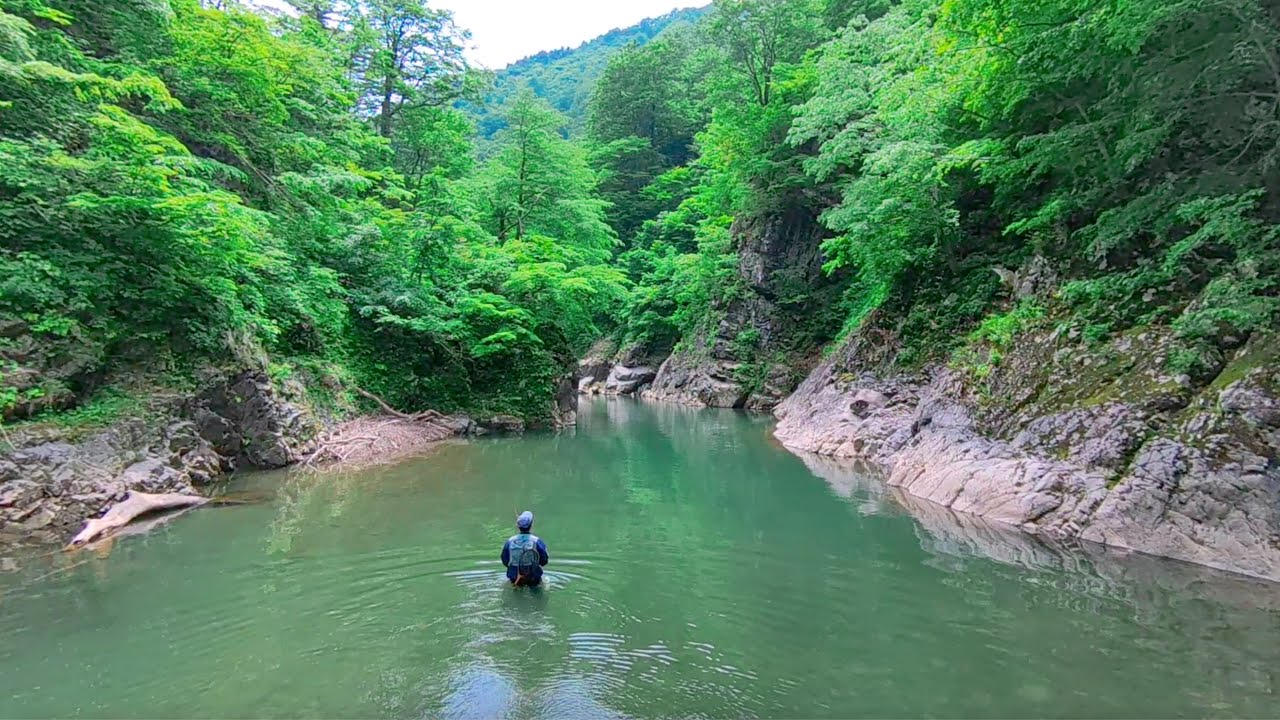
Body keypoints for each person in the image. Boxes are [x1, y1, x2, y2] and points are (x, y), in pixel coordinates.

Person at [501, 511, 549, 587]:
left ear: (518, 526)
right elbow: (544, 561)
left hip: (514, 576)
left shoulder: (509, 541)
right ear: (531, 525)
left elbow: (505, 560)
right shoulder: (537, 541)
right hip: (533, 577)